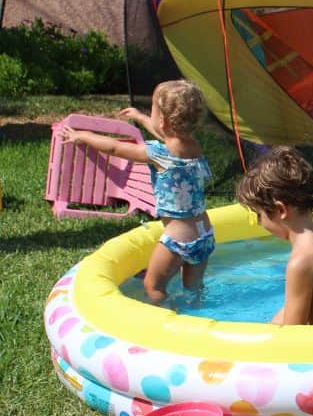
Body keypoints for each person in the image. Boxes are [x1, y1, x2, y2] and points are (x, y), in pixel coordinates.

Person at [60, 80, 213, 305]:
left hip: (179, 238)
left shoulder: (158, 153)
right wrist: (141, 118)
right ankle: (197, 315)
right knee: (193, 289)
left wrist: (83, 136)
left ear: (162, 120)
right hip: (204, 232)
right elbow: (168, 136)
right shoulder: (194, 146)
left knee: (153, 287)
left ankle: (167, 326)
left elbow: (114, 147)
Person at [236, 146, 313, 326]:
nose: (259, 223)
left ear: (280, 210)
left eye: (259, 215)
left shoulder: (301, 261)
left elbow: (292, 336)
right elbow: (291, 310)